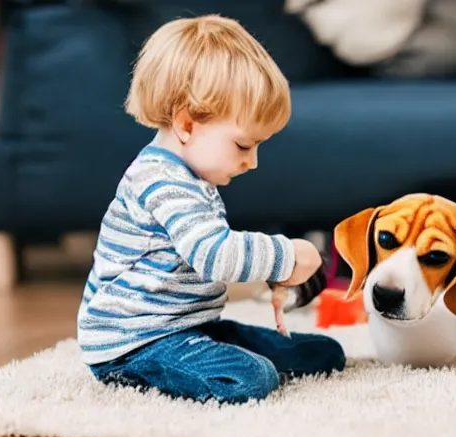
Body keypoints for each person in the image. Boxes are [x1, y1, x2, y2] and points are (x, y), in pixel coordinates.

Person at [76, 14, 345, 404]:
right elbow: (214, 255)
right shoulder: (162, 181)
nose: (252, 162)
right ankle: (130, 377)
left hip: (188, 325)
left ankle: (212, 352)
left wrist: (270, 274)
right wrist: (286, 255)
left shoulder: (191, 177)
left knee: (322, 354)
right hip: (136, 341)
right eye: (242, 146)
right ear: (187, 125)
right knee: (252, 378)